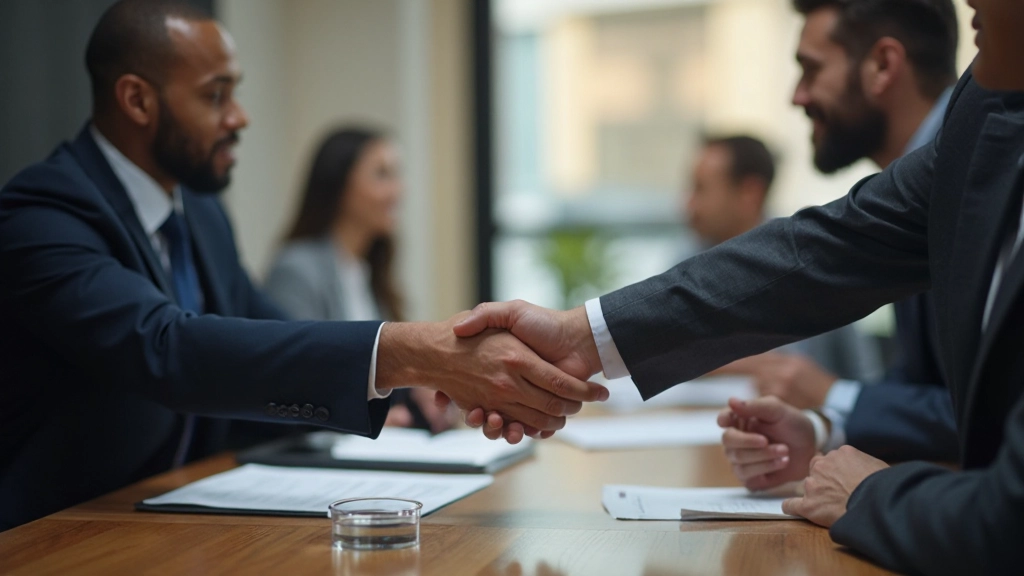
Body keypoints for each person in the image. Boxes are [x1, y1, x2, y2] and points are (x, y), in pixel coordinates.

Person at [448, 0, 1024, 571]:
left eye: (810, 68)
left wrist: (869, 493)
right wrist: (582, 335)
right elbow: (832, 247)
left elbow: (1009, 516)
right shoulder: (983, 107)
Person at [0, 0, 607, 531]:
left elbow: (268, 335)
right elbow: (167, 349)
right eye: (216, 96)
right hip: (59, 528)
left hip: (177, 512)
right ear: (136, 99)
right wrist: (417, 350)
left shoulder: (200, 214)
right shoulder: (41, 214)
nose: (239, 117)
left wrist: (414, 381)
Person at [709, 0, 961, 465]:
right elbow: (920, 382)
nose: (797, 97)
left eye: (811, 70)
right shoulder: (920, 180)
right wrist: (823, 426)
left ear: (883, 66)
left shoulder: (974, 172)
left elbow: (989, 417)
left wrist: (834, 394)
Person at [264, 126, 451, 432]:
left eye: (397, 174)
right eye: (382, 174)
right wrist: (358, 424)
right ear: (338, 185)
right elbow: (293, 386)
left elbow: (371, 372)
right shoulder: (296, 269)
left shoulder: (367, 272)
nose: (398, 190)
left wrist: (419, 389)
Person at [685, 135, 884, 388]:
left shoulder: (804, 261)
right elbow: (661, 349)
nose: (688, 203)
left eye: (700, 188)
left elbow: (793, 369)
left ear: (750, 193)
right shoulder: (689, 255)